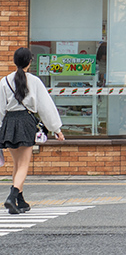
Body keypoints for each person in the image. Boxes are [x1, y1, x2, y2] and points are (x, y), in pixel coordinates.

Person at [1, 48, 64, 214]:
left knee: (17, 164)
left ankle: (19, 202)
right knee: (23, 165)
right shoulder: (34, 81)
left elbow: (0, 109)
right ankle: (11, 196)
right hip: (26, 122)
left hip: (9, 123)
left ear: (15, 61)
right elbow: (45, 107)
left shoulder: (4, 81)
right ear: (30, 62)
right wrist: (56, 128)